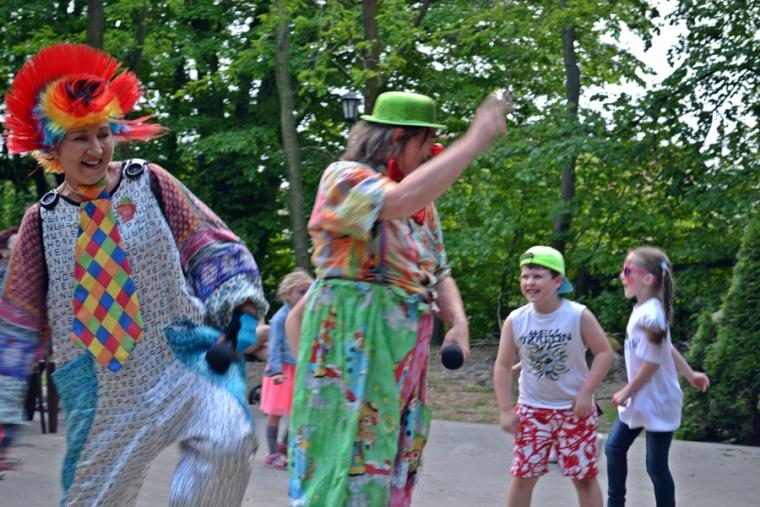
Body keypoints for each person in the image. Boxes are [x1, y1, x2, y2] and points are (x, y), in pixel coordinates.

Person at [0, 43, 269, 505]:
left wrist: (241, 309)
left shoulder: (151, 181)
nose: (96, 148)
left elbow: (210, 245)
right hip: (101, 386)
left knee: (228, 441)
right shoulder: (39, 223)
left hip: (181, 358)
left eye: (103, 133)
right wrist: (3, 417)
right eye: (80, 137)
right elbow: (17, 325)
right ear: (53, 147)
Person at [286, 90, 510, 506]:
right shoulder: (344, 178)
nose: (432, 153)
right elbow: (397, 202)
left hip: (401, 352)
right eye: (427, 144)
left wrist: (458, 322)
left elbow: (438, 270)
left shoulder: (423, 205)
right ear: (397, 138)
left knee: (391, 456)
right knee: (343, 456)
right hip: (352, 342)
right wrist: (474, 140)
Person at [493, 245, 613, 507]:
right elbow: (502, 365)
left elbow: (604, 352)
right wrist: (505, 410)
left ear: (557, 281)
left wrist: (586, 392)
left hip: (574, 412)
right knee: (523, 476)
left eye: (537, 276)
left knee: (584, 478)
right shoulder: (516, 320)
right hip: (531, 411)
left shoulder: (578, 315)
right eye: (525, 276)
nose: (529, 282)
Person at [605, 246, 710, 507]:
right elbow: (666, 347)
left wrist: (626, 391)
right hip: (641, 398)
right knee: (614, 448)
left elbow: (652, 363)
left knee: (655, 465)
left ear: (647, 279)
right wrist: (690, 373)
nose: (621, 276)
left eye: (627, 270)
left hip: (658, 400)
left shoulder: (651, 315)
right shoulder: (644, 310)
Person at [260, 268, 313, 470]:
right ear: (287, 294)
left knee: (296, 410)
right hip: (281, 370)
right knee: (275, 413)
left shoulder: (306, 315)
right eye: (302, 292)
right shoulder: (280, 318)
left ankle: (284, 446)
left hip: (297, 368)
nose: (306, 296)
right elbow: (274, 346)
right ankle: (272, 453)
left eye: (309, 292)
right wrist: (275, 371)